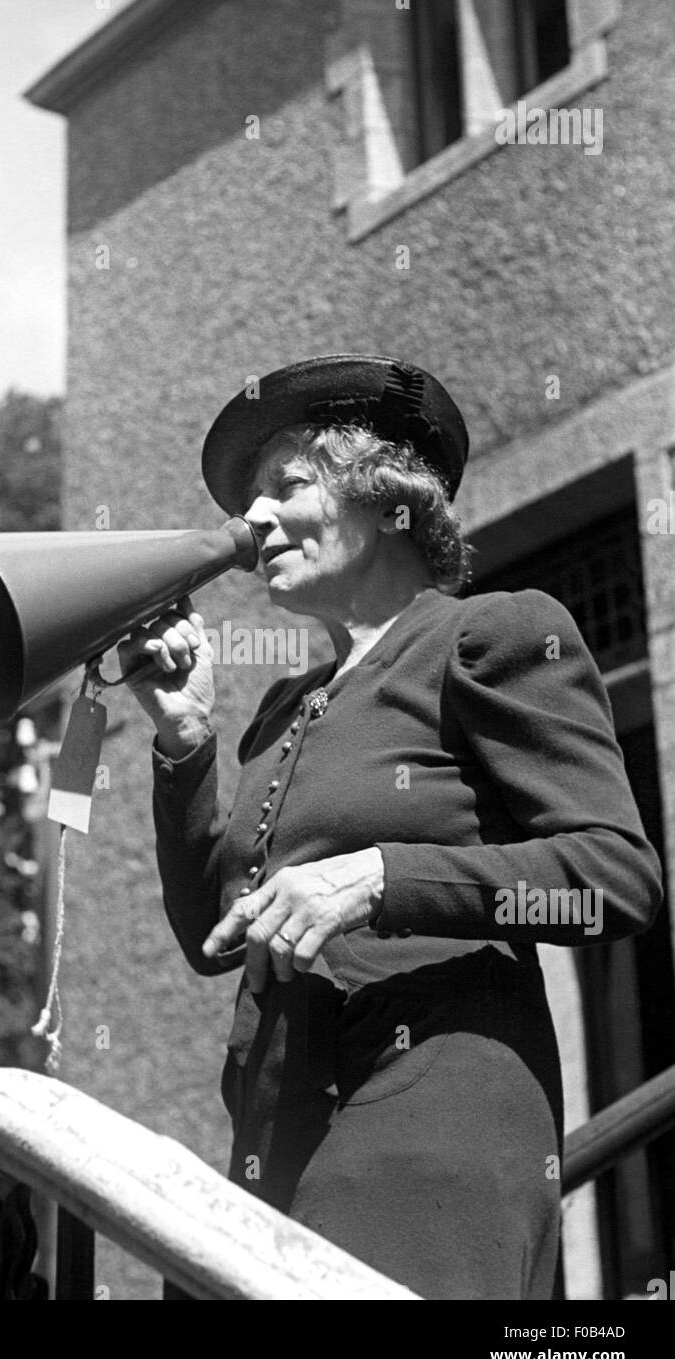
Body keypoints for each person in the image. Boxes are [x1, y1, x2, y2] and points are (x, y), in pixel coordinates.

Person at [117, 355, 663, 1300]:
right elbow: (220, 932)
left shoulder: (489, 633)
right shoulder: (282, 710)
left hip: (430, 1133)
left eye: (285, 486)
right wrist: (188, 742)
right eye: (251, 500)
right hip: (272, 1148)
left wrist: (378, 878)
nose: (253, 521)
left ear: (385, 495)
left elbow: (616, 875)